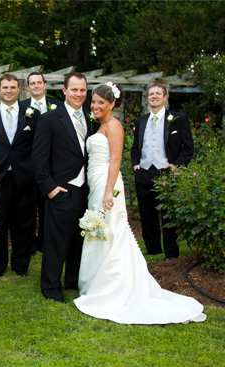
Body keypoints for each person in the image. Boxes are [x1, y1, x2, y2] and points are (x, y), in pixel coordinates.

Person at [74, 83, 206, 324]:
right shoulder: (99, 125)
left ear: (112, 104)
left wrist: (108, 192)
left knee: (111, 230)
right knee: (100, 230)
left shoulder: (113, 126)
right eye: (93, 102)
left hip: (107, 184)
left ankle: (112, 286)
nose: (94, 106)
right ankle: (94, 282)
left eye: (100, 102)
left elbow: (115, 160)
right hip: (95, 182)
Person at [32, 72, 92, 302]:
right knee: (56, 241)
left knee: (80, 238)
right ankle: (51, 287)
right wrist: (50, 188)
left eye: (83, 90)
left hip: (85, 190)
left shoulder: (91, 118)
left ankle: (72, 280)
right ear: (64, 91)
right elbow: (38, 158)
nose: (79, 94)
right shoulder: (49, 119)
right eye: (74, 89)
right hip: (61, 189)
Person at [0, 74, 38, 278]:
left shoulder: (33, 114)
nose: (9, 90)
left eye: (13, 87)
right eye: (5, 87)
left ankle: (21, 266)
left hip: (24, 178)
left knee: (24, 223)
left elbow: (37, 148)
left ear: (19, 90)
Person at [130, 84, 194, 260]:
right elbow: (135, 147)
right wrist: (136, 165)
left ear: (165, 97)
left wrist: (176, 166)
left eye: (158, 94)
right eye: (151, 94)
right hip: (144, 172)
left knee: (168, 216)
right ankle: (153, 250)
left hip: (166, 172)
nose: (154, 96)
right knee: (147, 213)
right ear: (147, 98)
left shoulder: (178, 119)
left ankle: (171, 254)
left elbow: (188, 148)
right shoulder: (141, 121)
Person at [24, 72, 62, 255]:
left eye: (39, 82)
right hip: (28, 166)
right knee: (29, 208)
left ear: (45, 85)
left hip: (52, 166)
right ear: (28, 87)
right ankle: (30, 244)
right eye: (32, 83)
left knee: (48, 207)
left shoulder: (58, 106)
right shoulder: (21, 107)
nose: (36, 86)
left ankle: (45, 243)